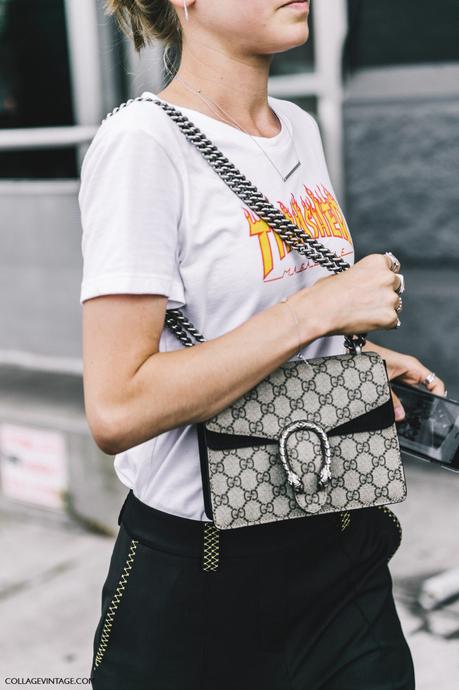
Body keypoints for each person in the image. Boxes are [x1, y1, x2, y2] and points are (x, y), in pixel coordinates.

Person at [78, 1, 446, 688]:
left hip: (338, 539)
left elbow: (259, 317)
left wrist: (355, 360)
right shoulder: (142, 143)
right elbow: (116, 407)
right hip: (203, 575)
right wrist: (315, 311)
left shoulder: (298, 128)